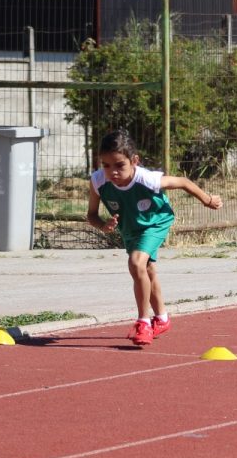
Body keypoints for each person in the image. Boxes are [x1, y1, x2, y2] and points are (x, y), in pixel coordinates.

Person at [86, 129, 223, 346]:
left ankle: (143, 322)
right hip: (130, 229)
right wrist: (104, 225)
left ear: (134, 161)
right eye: (106, 165)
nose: (112, 172)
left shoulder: (147, 179)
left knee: (136, 263)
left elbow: (184, 182)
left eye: (120, 165)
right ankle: (162, 318)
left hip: (155, 223)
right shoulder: (98, 181)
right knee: (146, 270)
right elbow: (91, 215)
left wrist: (208, 200)